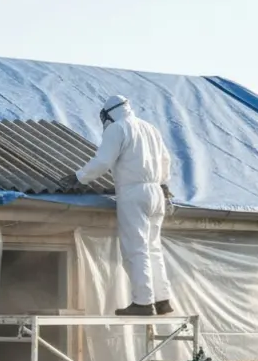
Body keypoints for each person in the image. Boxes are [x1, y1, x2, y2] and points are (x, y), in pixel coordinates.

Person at [60, 95, 176, 317]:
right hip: (157, 191)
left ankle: (143, 302)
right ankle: (162, 300)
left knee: (137, 247)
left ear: (108, 114)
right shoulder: (150, 128)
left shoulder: (118, 128)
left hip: (134, 192)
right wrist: (162, 182)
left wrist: (80, 176)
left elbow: (104, 161)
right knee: (153, 248)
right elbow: (165, 160)